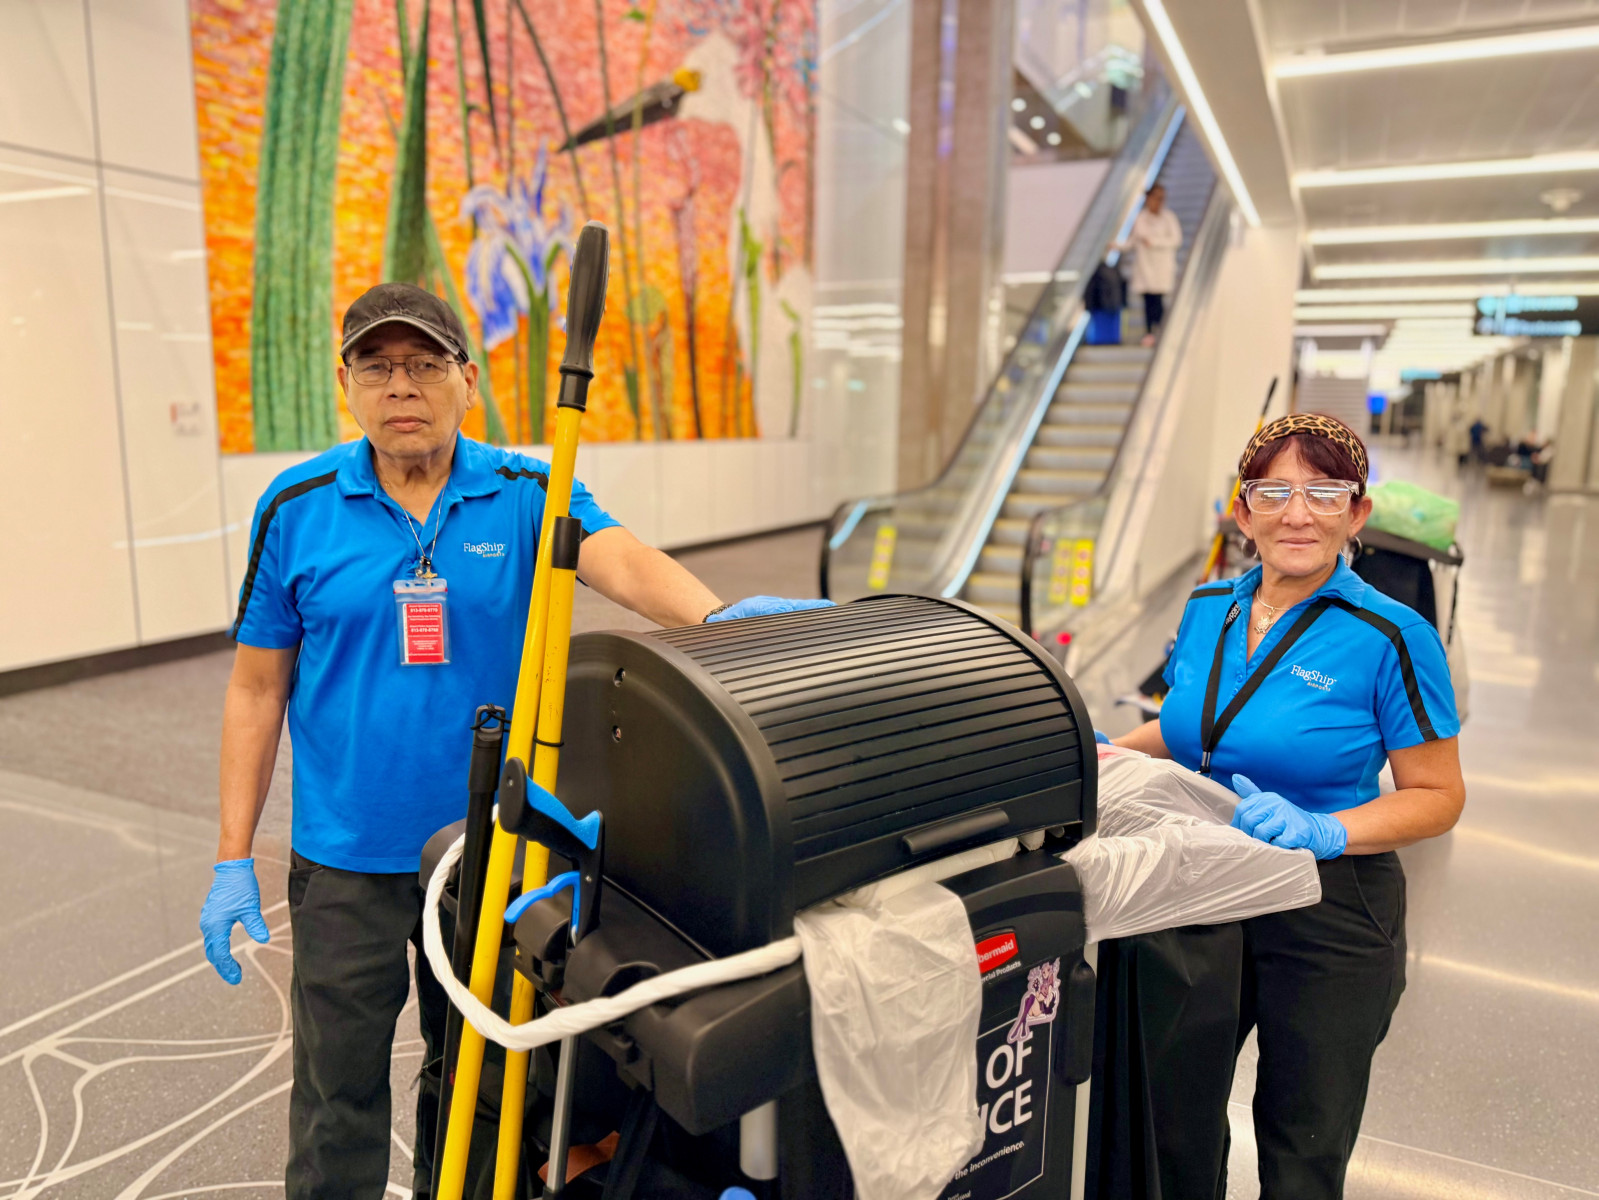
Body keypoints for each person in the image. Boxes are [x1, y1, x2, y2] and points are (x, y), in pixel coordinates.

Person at [196, 283, 830, 1200]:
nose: (400, 387)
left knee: (483, 1086)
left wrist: (720, 616)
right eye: (376, 367)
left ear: (469, 378)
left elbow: (622, 560)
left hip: (491, 850)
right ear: (346, 385)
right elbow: (257, 689)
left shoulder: (527, 489)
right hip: (344, 856)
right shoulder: (296, 508)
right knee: (337, 1092)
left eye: (423, 365)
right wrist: (230, 857)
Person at [1113, 412, 1465, 1198]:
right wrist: (1102, 756)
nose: (1296, 514)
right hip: (1201, 887)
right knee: (1171, 1112)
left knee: (1302, 1134)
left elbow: (1439, 797)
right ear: (1242, 512)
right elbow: (1193, 720)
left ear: (1356, 513)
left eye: (1322, 492)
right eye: (1271, 492)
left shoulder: (1391, 635)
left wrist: (1324, 829)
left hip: (1329, 903)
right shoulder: (1210, 606)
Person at [1126, 183, 1182, 347]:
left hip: (1162, 267)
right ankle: (1150, 332)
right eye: (1155, 198)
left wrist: (1154, 242)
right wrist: (1116, 246)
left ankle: (1161, 331)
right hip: (1145, 267)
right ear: (1148, 199)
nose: (1158, 201)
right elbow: (1133, 241)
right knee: (1148, 300)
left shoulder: (1169, 218)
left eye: (1161, 198)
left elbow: (1176, 240)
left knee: (1158, 300)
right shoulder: (1141, 218)